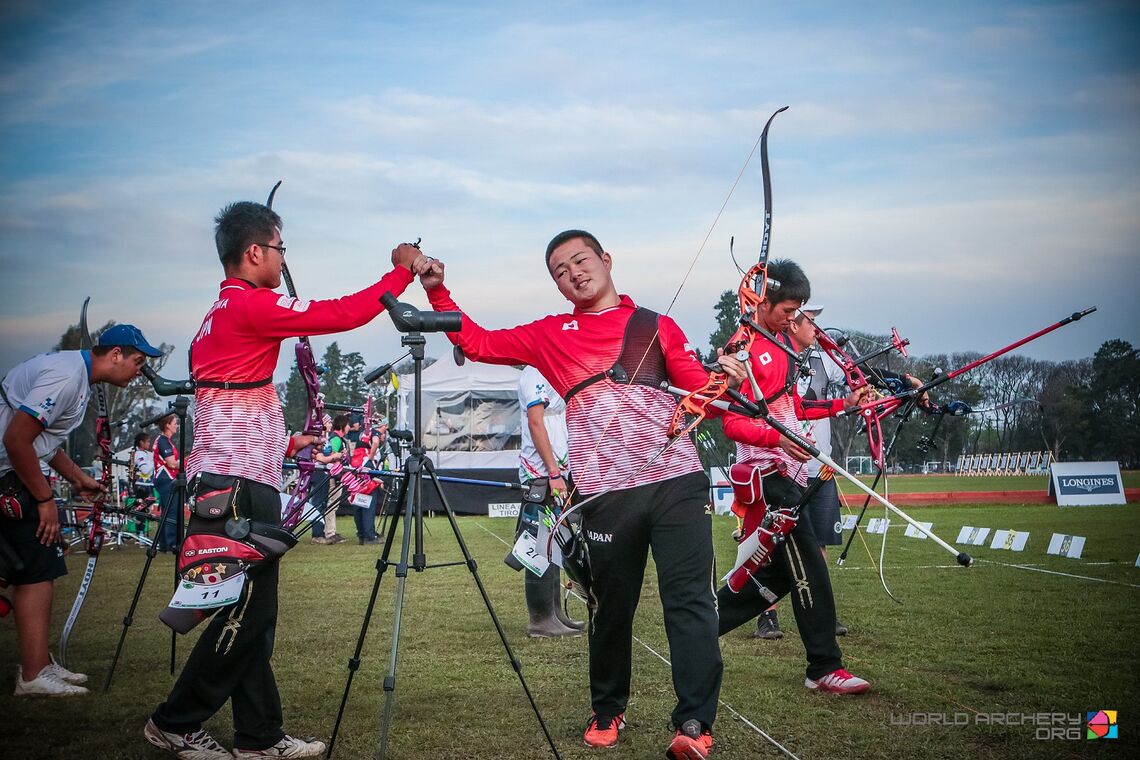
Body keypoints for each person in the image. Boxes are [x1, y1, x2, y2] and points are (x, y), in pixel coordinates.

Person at [419, 230, 746, 759]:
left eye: (580, 260)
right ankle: (608, 708)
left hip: (676, 484)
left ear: (605, 260)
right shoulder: (550, 333)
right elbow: (476, 341)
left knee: (689, 602)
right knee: (610, 606)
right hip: (604, 494)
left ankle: (694, 723)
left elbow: (697, 394)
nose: (573, 272)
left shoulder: (656, 325)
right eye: (560, 270)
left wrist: (725, 379)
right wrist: (438, 290)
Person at [143, 198, 433, 759]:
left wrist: (284, 442)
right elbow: (342, 314)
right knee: (248, 611)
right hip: (239, 485)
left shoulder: (219, 314)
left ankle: (259, 737)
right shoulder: (250, 305)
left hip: (230, 475)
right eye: (280, 248)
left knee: (250, 611)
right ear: (255, 252)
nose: (282, 259)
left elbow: (228, 405)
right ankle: (174, 721)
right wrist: (400, 270)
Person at [716, 260, 871, 695]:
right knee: (811, 564)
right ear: (763, 301)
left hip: (792, 472)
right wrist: (778, 439)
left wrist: (844, 405)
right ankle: (824, 666)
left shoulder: (782, 344)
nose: (794, 318)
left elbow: (793, 406)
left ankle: (700, 624)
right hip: (767, 476)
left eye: (797, 309)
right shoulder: (743, 346)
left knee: (779, 575)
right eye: (788, 309)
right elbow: (731, 421)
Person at [1, 323, 161, 696]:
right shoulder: (66, 376)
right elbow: (16, 439)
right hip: (9, 477)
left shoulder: (76, 376)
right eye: (137, 362)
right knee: (35, 569)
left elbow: (42, 443)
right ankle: (33, 673)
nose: (139, 372)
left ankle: (38, 662)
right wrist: (45, 500)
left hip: (13, 473)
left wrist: (78, 478)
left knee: (38, 568)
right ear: (116, 354)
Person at [515, 365, 583, 638]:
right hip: (540, 472)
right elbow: (536, 422)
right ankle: (541, 619)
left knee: (555, 541)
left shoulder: (552, 368)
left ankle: (554, 612)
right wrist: (553, 472)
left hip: (556, 467)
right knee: (539, 541)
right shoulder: (533, 374)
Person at [309, 414, 349, 545]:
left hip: (324, 473)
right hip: (320, 473)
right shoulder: (321, 440)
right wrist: (336, 456)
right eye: (328, 422)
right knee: (319, 504)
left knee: (323, 504)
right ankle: (318, 534)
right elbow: (321, 458)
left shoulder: (325, 439)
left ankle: (324, 532)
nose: (331, 425)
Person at [152, 414, 181, 553]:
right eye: (175, 423)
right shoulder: (163, 441)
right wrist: (186, 462)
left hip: (164, 479)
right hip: (166, 479)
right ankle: (172, 544)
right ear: (168, 425)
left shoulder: (164, 441)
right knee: (172, 512)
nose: (177, 425)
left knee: (166, 512)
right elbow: (172, 463)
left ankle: (163, 544)